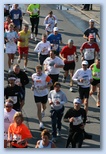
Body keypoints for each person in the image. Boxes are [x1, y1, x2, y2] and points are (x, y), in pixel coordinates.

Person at [31, 65, 52, 130]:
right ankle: (41, 123)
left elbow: (51, 83)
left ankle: (43, 111)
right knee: (38, 108)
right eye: (37, 72)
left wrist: (45, 87)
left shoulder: (45, 76)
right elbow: (33, 82)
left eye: (39, 71)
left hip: (44, 93)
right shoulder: (33, 75)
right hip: (36, 94)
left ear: (41, 70)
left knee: (44, 106)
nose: (38, 73)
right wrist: (32, 87)